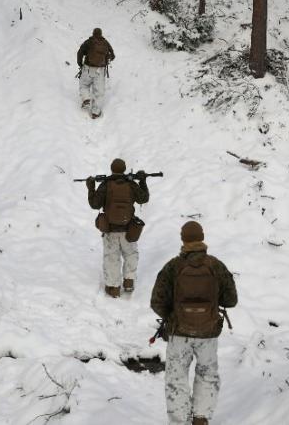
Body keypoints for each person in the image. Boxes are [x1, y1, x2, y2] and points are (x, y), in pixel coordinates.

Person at [150, 221, 238, 425]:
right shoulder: (216, 265)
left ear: (183, 239)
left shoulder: (173, 266)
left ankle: (180, 420)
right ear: (202, 237)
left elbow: (157, 301)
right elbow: (231, 300)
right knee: (207, 373)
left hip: (179, 333)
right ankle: (201, 418)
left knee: (176, 378)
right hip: (208, 333)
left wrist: (173, 317)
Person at [86, 158, 149, 297]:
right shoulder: (131, 184)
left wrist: (91, 187)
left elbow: (95, 204)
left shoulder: (105, 185)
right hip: (129, 229)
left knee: (111, 258)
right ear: (124, 169)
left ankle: (114, 288)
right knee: (131, 255)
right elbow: (143, 198)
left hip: (111, 231)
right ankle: (129, 282)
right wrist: (143, 181)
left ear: (112, 169)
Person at [76, 28, 115, 119]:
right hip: (100, 70)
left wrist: (80, 64)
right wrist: (106, 58)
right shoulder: (105, 43)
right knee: (99, 92)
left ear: (93, 33)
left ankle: (86, 99)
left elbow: (80, 52)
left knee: (84, 85)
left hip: (88, 68)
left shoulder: (89, 42)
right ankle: (95, 112)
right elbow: (112, 56)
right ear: (101, 34)